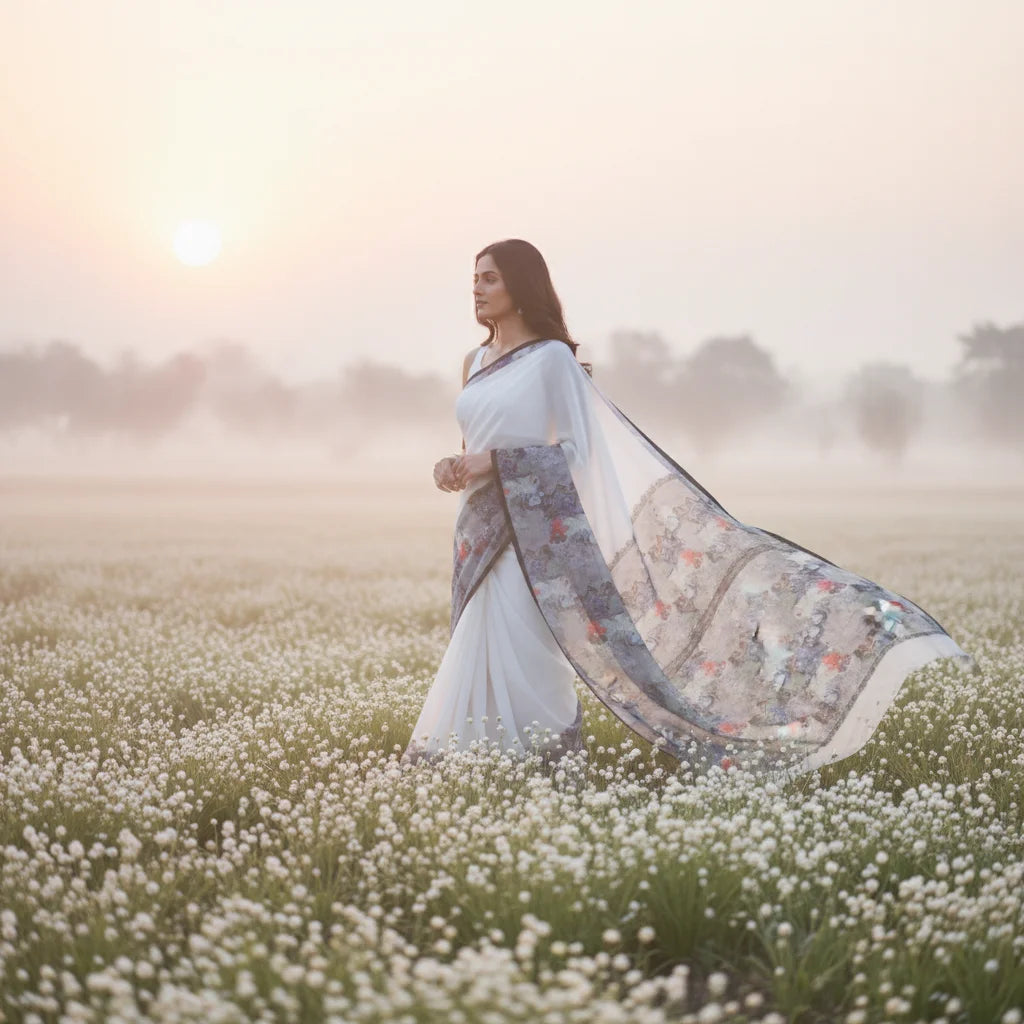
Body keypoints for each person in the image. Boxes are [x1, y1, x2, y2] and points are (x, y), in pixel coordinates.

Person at [401, 239, 972, 779]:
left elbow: (579, 452)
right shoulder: (475, 361)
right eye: (473, 278)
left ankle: (539, 765)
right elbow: (475, 444)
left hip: (531, 542)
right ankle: (469, 764)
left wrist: (491, 465)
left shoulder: (550, 359)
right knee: (475, 643)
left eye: (489, 278)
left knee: (523, 651)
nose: (476, 288)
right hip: (479, 532)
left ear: (521, 286)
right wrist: (453, 467)